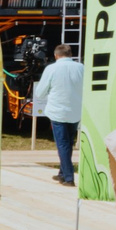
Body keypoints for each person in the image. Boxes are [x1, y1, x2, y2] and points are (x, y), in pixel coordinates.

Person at [31, 43, 82, 186]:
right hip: (75, 111)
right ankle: (62, 173)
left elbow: (40, 92)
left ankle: (68, 177)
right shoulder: (81, 68)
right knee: (68, 143)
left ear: (56, 55)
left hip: (58, 112)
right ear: (70, 54)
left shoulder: (51, 69)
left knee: (63, 144)